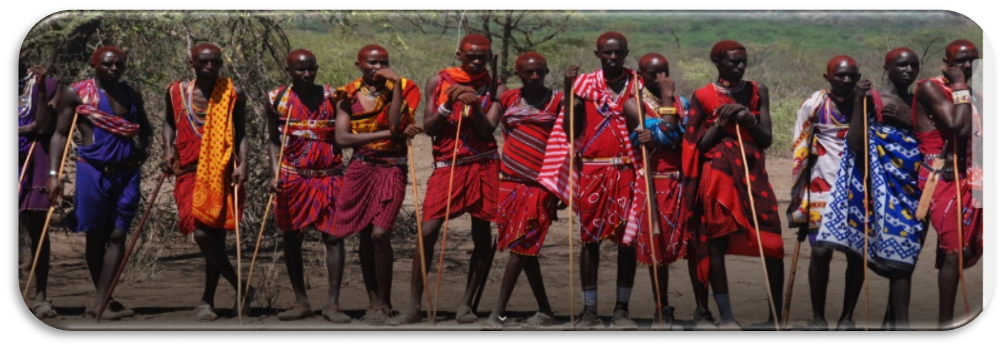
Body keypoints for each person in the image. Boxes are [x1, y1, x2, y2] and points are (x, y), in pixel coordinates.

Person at [389, 34, 506, 326]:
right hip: (447, 164)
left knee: (482, 234)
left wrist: (476, 104)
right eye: (471, 56)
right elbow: (430, 128)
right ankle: (414, 306)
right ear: (459, 55)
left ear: (489, 56)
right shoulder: (438, 82)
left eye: (482, 56)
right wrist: (448, 102)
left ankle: (465, 305)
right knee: (427, 230)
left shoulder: (497, 88)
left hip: (482, 164)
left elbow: (485, 131)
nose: (477, 61)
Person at [537, 31, 646, 330]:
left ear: (626, 53)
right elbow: (571, 131)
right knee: (590, 241)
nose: (613, 57)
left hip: (627, 170)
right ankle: (589, 311)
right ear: (596, 53)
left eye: (619, 53)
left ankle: (621, 310)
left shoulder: (638, 84)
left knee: (628, 241)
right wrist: (567, 87)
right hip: (593, 172)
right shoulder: (584, 85)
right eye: (607, 53)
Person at [679, 40, 785, 330]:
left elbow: (766, 139)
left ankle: (776, 317)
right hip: (718, 179)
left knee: (772, 241)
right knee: (716, 244)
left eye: (743, 62)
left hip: (753, 175)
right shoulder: (703, 96)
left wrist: (747, 118)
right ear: (717, 62)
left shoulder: (756, 90)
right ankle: (727, 317)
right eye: (732, 62)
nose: (739, 67)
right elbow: (696, 145)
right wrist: (719, 122)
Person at [48, 46, 154, 321]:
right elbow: (60, 134)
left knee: (118, 234)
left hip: (127, 172)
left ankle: (100, 302)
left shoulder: (131, 93)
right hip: (92, 171)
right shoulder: (77, 93)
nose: (114, 69)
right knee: (96, 234)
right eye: (107, 64)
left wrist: (146, 149)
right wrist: (53, 175)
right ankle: (102, 300)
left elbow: (145, 127)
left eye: (119, 64)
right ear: (95, 63)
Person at [332, 44, 423, 325]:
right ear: (358, 64)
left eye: (383, 62)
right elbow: (343, 139)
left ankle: (386, 302)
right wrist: (389, 133)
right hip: (360, 168)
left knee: (380, 234)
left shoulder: (406, 88)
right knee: (363, 235)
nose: (378, 67)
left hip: (392, 167)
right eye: (372, 63)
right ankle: (375, 303)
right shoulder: (346, 93)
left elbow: (397, 121)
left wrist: (395, 86)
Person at [837, 48, 926, 331]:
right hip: (875, 188)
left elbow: (930, 139)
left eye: (914, 65)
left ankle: (896, 320)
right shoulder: (871, 98)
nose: (909, 70)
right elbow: (854, 143)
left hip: (912, 189)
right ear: (887, 68)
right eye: (902, 65)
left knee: (905, 253)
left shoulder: (919, 102)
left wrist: (908, 121)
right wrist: (858, 105)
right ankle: (846, 318)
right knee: (858, 255)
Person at [162, 43, 252, 322]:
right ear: (192, 64)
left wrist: (244, 164)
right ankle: (242, 287)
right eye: (204, 62)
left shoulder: (233, 93)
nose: (210, 67)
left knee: (215, 237)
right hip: (188, 171)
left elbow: (241, 133)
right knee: (200, 231)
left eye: (215, 62)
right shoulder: (175, 92)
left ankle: (207, 301)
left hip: (221, 171)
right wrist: (167, 149)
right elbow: (168, 122)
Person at [262, 49, 346, 322]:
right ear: (288, 71)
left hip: (329, 175)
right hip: (293, 175)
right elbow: (274, 140)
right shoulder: (277, 99)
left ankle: (332, 305)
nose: (307, 74)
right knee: (292, 236)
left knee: (333, 237)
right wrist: (274, 173)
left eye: (311, 69)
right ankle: (301, 302)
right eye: (300, 70)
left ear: (317, 68)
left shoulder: (334, 97)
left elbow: (345, 133)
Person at [482, 52, 562, 330]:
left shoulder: (558, 101)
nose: (535, 77)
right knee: (525, 248)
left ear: (547, 70)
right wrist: (483, 100)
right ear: (519, 74)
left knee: (521, 245)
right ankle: (545, 310)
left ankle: (497, 312)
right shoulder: (507, 99)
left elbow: (570, 140)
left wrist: (563, 187)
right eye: (529, 73)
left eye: (540, 71)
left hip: (541, 183)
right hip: (510, 181)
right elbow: (486, 129)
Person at [786, 55, 866, 331]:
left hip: (859, 186)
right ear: (827, 77)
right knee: (820, 252)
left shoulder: (867, 103)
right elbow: (800, 147)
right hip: (822, 185)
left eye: (852, 76)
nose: (846, 80)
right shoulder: (814, 104)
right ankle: (818, 317)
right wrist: (799, 201)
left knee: (857, 253)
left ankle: (847, 317)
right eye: (840, 75)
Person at [911, 39, 983, 329]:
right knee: (953, 249)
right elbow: (958, 126)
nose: (967, 66)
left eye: (973, 60)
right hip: (940, 175)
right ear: (947, 62)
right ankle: (944, 322)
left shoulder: (975, 94)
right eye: (961, 60)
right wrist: (960, 86)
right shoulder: (931, 88)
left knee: (960, 250)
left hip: (968, 174)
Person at [632, 52, 691, 329]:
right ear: (639, 75)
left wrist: (662, 135)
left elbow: (682, 137)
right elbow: (670, 132)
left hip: (682, 181)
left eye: (664, 72)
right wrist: (668, 105)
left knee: (692, 246)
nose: (660, 79)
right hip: (653, 183)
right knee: (657, 248)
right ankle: (661, 308)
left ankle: (702, 308)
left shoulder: (685, 103)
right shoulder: (634, 104)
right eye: (653, 74)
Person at [18, 52, 61, 319]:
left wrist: (42, 88)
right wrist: (26, 127)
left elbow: (43, 127)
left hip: (35, 160)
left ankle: (41, 296)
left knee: (37, 228)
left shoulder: (44, 84)